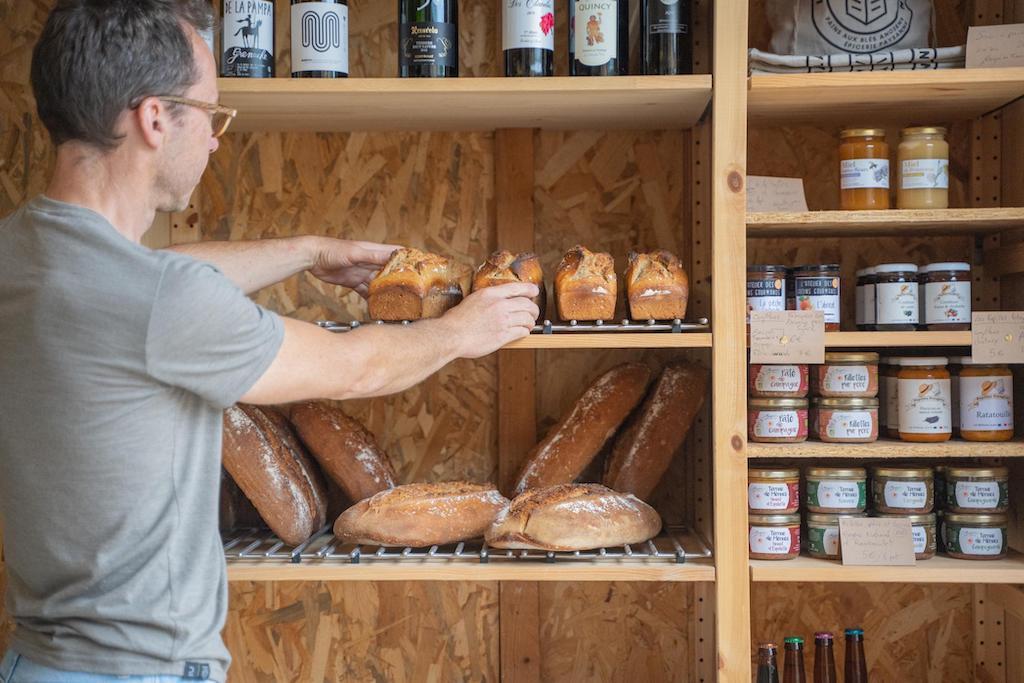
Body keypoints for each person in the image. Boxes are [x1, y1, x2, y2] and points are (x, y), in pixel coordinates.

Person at [0, 1, 539, 681]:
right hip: (138, 670)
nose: (218, 140)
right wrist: (465, 330)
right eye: (212, 115)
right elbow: (353, 368)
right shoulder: (158, 302)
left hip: (35, 661)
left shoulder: (21, 254)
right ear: (154, 118)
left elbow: (158, 278)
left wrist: (310, 250)